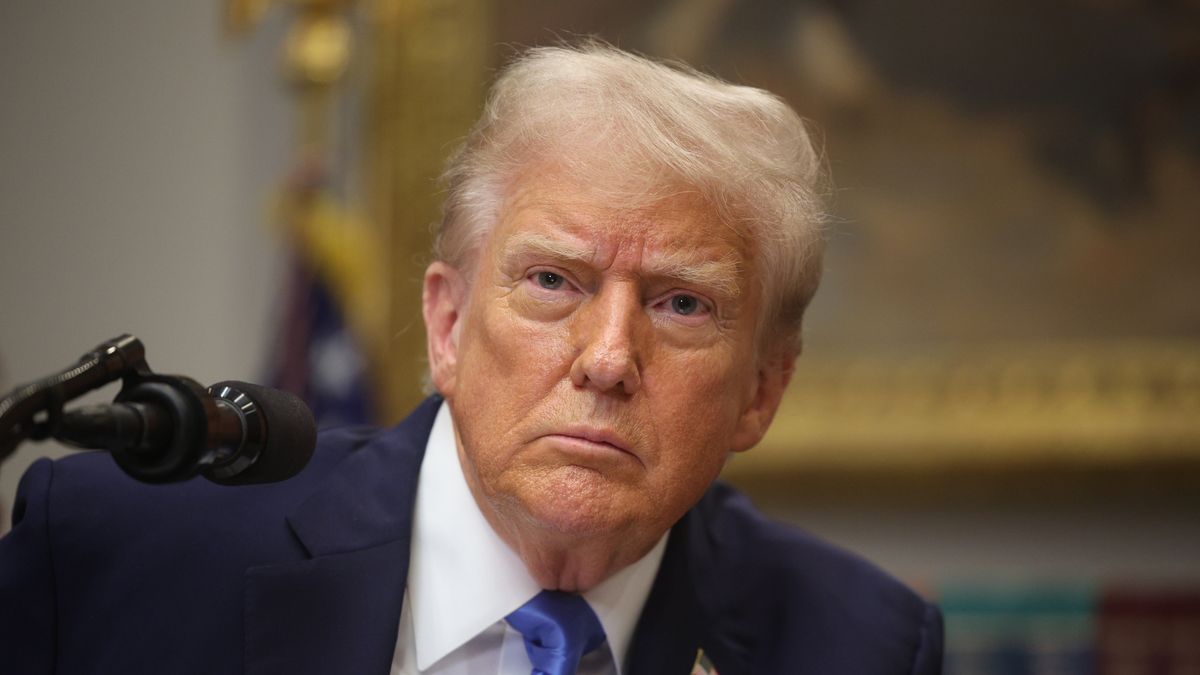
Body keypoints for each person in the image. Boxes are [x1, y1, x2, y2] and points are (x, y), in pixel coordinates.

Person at [0, 44, 942, 675]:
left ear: (763, 390)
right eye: (552, 281)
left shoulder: (857, 644)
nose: (609, 358)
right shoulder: (111, 554)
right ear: (447, 325)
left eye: (683, 303)